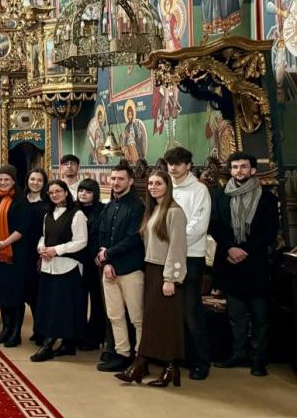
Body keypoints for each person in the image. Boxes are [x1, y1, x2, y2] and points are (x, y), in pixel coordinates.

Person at [116, 171, 188, 387]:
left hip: (165, 272)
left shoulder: (174, 212)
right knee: (153, 321)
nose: (153, 187)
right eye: (150, 183)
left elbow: (177, 247)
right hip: (151, 269)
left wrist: (170, 278)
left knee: (166, 320)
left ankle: (165, 367)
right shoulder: (154, 210)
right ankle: (148, 365)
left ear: (168, 186)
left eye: (158, 183)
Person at [211, 152, 279, 376]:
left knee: (260, 315)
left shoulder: (267, 198)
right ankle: (238, 354)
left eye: (243, 166)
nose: (238, 170)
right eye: (235, 167)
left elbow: (269, 232)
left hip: (256, 263)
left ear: (253, 170)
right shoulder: (221, 196)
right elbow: (215, 225)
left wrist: (245, 250)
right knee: (236, 315)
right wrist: (230, 247)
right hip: (230, 262)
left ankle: (258, 358)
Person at [163, 146, 211, 380]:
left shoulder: (199, 189)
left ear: (188, 166)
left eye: (178, 164)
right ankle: (178, 356)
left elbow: (198, 226)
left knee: (191, 311)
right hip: (166, 255)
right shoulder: (166, 187)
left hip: (191, 255)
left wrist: (175, 243)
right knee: (172, 311)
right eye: (170, 164)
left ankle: (201, 361)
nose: (173, 168)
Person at [30, 181, 88, 362]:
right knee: (49, 306)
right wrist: (41, 248)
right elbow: (44, 236)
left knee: (63, 308)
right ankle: (67, 345)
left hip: (67, 267)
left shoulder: (77, 214)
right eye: (51, 192)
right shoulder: (48, 214)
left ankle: (48, 345)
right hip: (49, 267)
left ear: (66, 193)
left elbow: (81, 241)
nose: (54, 195)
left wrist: (56, 250)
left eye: (58, 191)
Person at [96, 164, 146, 372]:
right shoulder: (109, 206)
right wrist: (106, 263)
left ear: (131, 181)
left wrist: (108, 255)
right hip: (110, 270)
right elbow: (101, 234)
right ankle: (122, 354)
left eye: (120, 179)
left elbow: (133, 238)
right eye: (113, 178)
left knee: (137, 317)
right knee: (115, 315)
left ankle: (141, 358)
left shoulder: (137, 207)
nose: (115, 182)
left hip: (130, 269)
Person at [0, 165, 28, 347]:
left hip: (13, 254)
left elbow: (22, 228)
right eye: (0, 179)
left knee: (14, 294)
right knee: (2, 293)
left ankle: (16, 333)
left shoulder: (20, 200)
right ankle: (5, 329)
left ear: (13, 181)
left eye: (6, 180)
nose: (2, 183)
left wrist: (4, 243)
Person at [76, 179, 107, 351]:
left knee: (96, 301)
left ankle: (95, 336)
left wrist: (100, 253)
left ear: (95, 194)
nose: (83, 194)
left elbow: (104, 234)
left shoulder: (102, 210)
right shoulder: (73, 209)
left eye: (88, 191)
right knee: (78, 299)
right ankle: (77, 333)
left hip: (95, 261)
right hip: (77, 260)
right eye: (81, 190)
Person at [22, 168, 51, 342]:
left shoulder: (47, 204)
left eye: (39, 180)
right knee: (27, 291)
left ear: (44, 183)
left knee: (39, 293)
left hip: (39, 252)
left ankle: (42, 330)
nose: (35, 183)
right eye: (32, 179)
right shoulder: (21, 200)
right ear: (27, 180)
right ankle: (37, 328)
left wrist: (42, 254)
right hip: (21, 251)